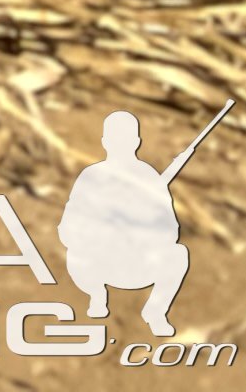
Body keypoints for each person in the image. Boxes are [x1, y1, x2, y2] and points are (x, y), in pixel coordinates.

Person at [59, 110, 194, 335]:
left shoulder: (149, 178)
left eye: (125, 138)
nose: (120, 144)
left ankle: (156, 311)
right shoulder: (91, 177)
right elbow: (68, 228)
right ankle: (97, 296)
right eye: (115, 139)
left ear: (136, 142)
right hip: (99, 264)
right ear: (105, 142)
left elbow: (171, 231)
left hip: (138, 263)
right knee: (74, 253)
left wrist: (143, 225)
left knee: (178, 254)